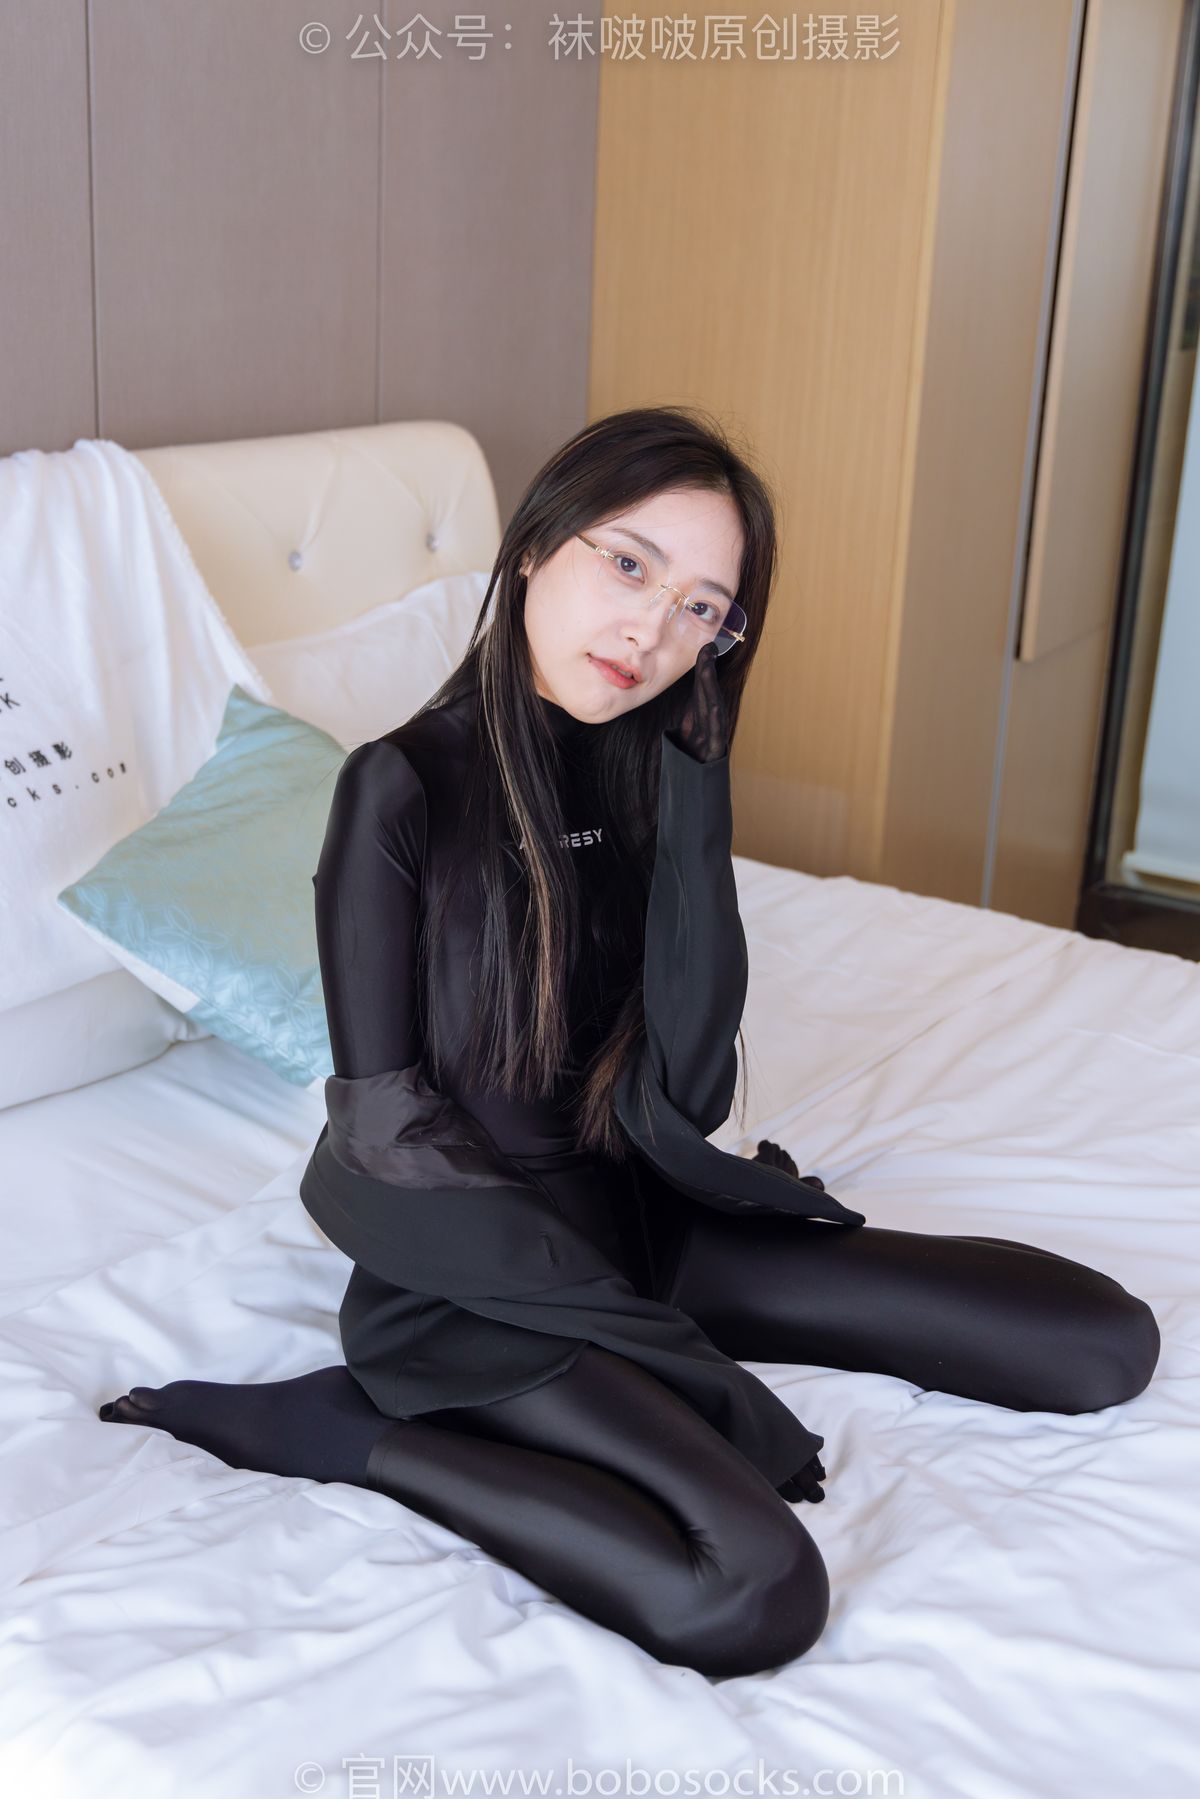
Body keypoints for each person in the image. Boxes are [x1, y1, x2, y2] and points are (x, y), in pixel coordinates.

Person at [99, 405, 1161, 1679]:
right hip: (475, 1282)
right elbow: (384, 1130)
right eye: (629, 565)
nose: (653, 630)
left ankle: (608, 1335)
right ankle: (360, 1435)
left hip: (648, 1220)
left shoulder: (646, 767)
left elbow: (690, 1085)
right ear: (534, 545)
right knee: (752, 1590)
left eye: (702, 607)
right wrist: (669, 1358)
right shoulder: (400, 785)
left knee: (1101, 1341)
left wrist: (700, 796)